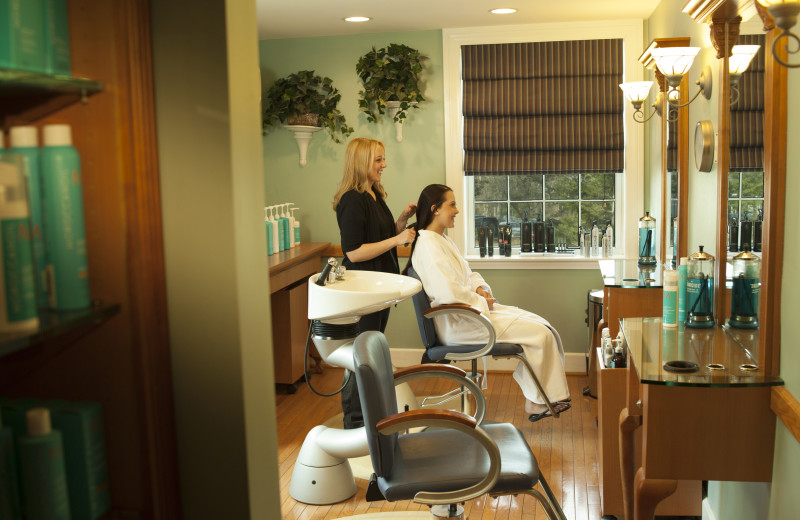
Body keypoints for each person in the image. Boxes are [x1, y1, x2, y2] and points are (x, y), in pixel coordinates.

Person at [403, 184, 570, 422]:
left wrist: (481, 289)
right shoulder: (429, 246)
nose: (457, 210)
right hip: (460, 324)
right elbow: (448, 293)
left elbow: (468, 274)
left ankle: (538, 398)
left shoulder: (441, 241)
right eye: (452, 204)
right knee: (540, 334)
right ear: (435, 209)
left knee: (543, 326)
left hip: (470, 313)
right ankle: (536, 402)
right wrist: (482, 301)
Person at [333, 137, 416, 429]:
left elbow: (380, 237)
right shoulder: (352, 200)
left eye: (383, 159)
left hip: (378, 285)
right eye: (378, 160)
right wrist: (397, 239)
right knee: (363, 354)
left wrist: (402, 221)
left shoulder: (374, 195)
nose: (384, 165)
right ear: (361, 162)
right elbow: (354, 251)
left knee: (371, 349)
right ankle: (355, 421)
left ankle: (367, 415)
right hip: (363, 289)